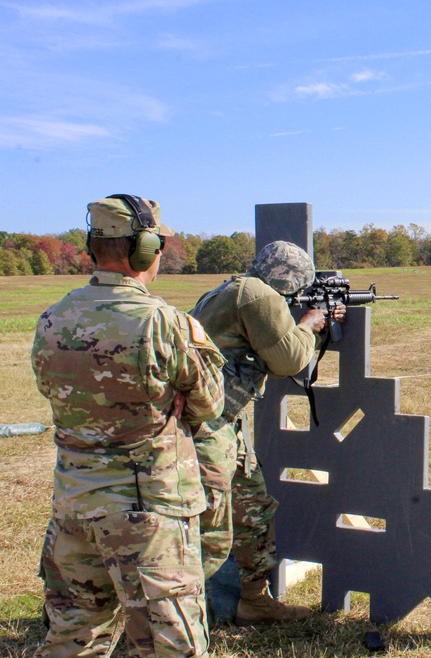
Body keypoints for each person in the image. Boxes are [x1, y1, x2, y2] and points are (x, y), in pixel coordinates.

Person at [31, 195, 226, 657]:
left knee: (72, 640)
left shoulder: (53, 318)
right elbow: (210, 403)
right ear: (146, 250)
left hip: (72, 509)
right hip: (147, 516)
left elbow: (55, 393)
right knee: (170, 646)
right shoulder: (164, 323)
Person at [190, 240, 346, 625]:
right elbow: (288, 359)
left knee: (254, 509)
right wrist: (310, 324)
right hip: (204, 426)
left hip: (218, 422)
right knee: (210, 523)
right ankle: (193, 611)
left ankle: (253, 601)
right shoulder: (257, 295)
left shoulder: (234, 289)